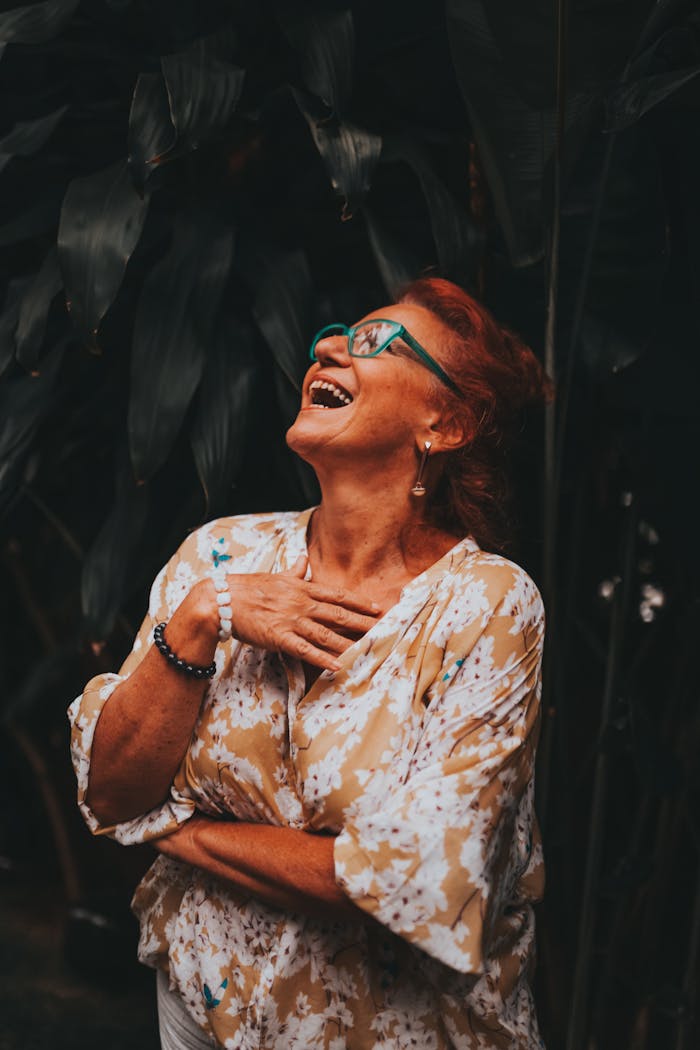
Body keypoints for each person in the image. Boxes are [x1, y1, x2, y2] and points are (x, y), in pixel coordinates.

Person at [69, 277, 553, 1049]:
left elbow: (406, 881)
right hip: (201, 999)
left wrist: (170, 830)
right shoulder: (220, 554)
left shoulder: (485, 605)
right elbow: (111, 786)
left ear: (445, 423)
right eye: (335, 334)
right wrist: (202, 616)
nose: (326, 345)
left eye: (374, 342)